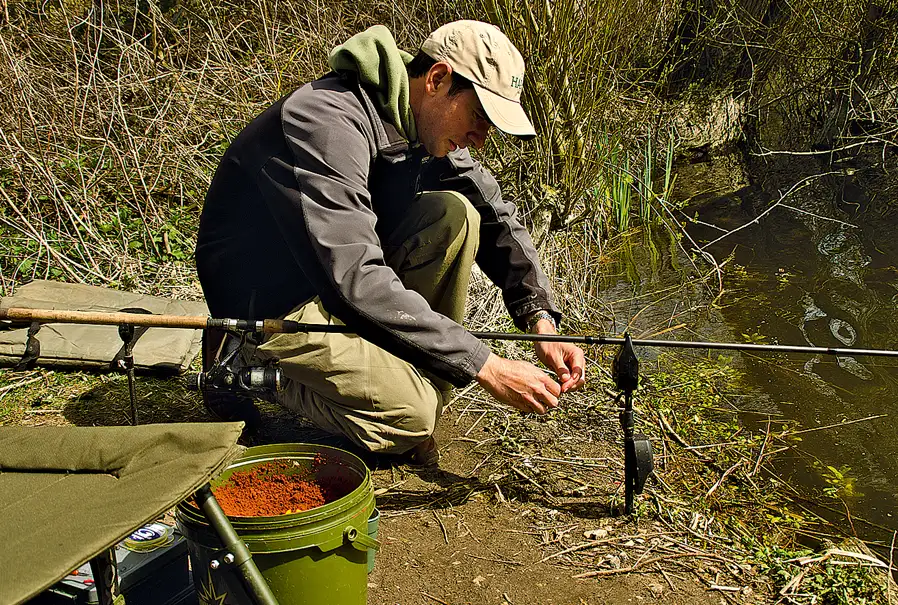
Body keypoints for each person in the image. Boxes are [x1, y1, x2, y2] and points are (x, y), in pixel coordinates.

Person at [195, 20, 586, 465]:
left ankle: (409, 375)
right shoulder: (326, 122)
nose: (482, 138)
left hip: (335, 282)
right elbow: (353, 277)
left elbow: (497, 216)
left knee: (454, 214)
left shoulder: (420, 120)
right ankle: (241, 369)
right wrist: (483, 364)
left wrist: (541, 319)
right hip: (273, 302)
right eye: (479, 117)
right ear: (438, 80)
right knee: (412, 418)